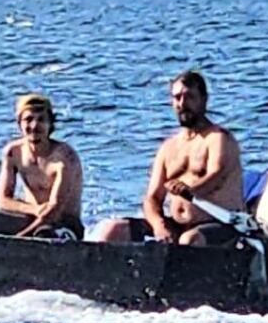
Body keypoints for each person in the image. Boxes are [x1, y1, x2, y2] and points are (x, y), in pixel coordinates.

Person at [97, 71, 243, 246]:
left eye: (189, 97)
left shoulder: (219, 139)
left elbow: (216, 177)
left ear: (204, 100)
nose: (182, 104)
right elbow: (152, 198)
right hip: (178, 227)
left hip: (219, 225)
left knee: (189, 241)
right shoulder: (168, 148)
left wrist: (188, 190)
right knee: (113, 230)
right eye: (177, 98)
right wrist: (159, 225)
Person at [0, 93, 84, 240]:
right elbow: (4, 200)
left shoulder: (64, 158)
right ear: (19, 124)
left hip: (64, 224)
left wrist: (17, 240)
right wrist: (34, 209)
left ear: (50, 124)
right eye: (28, 119)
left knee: (44, 235)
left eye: (41, 120)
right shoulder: (13, 152)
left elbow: (54, 210)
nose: (34, 126)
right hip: (31, 217)